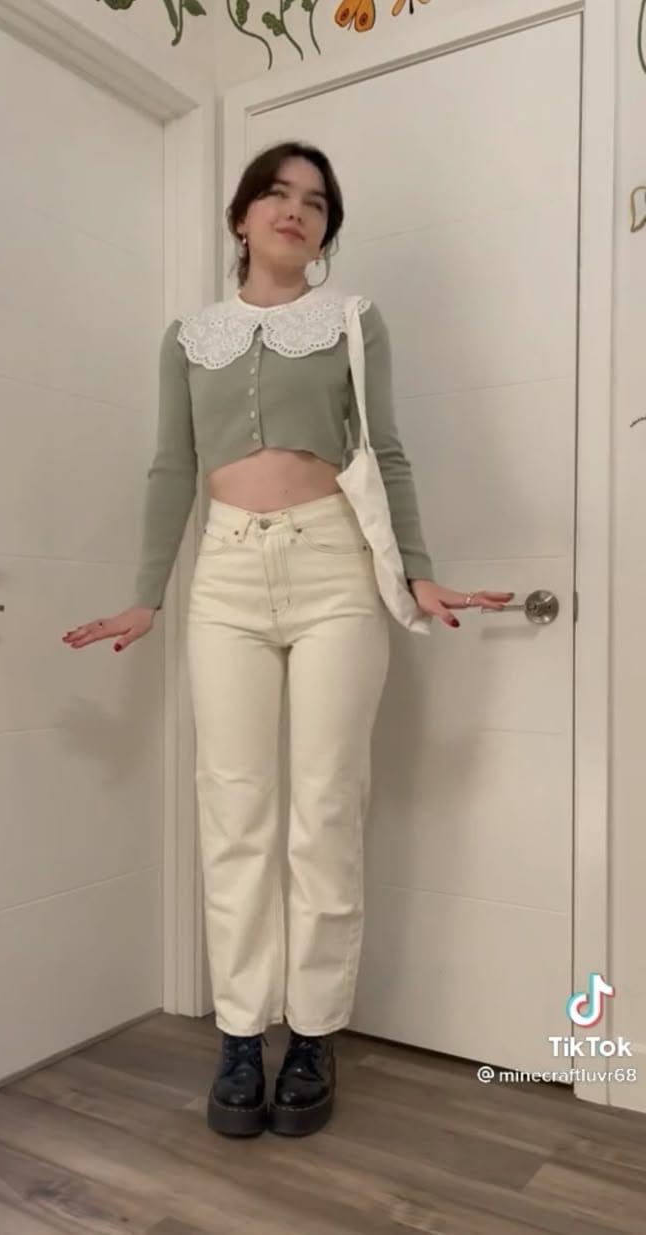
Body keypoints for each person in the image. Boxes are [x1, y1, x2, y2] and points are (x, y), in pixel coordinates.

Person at [63, 141, 512, 1139]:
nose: (295, 210)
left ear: (324, 230)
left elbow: (385, 450)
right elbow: (171, 467)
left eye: (315, 201)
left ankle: (311, 1032)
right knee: (234, 808)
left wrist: (416, 569)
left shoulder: (352, 321)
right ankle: (239, 1034)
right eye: (276, 192)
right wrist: (146, 595)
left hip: (334, 572)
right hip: (224, 575)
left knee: (324, 805)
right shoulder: (190, 336)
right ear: (241, 216)